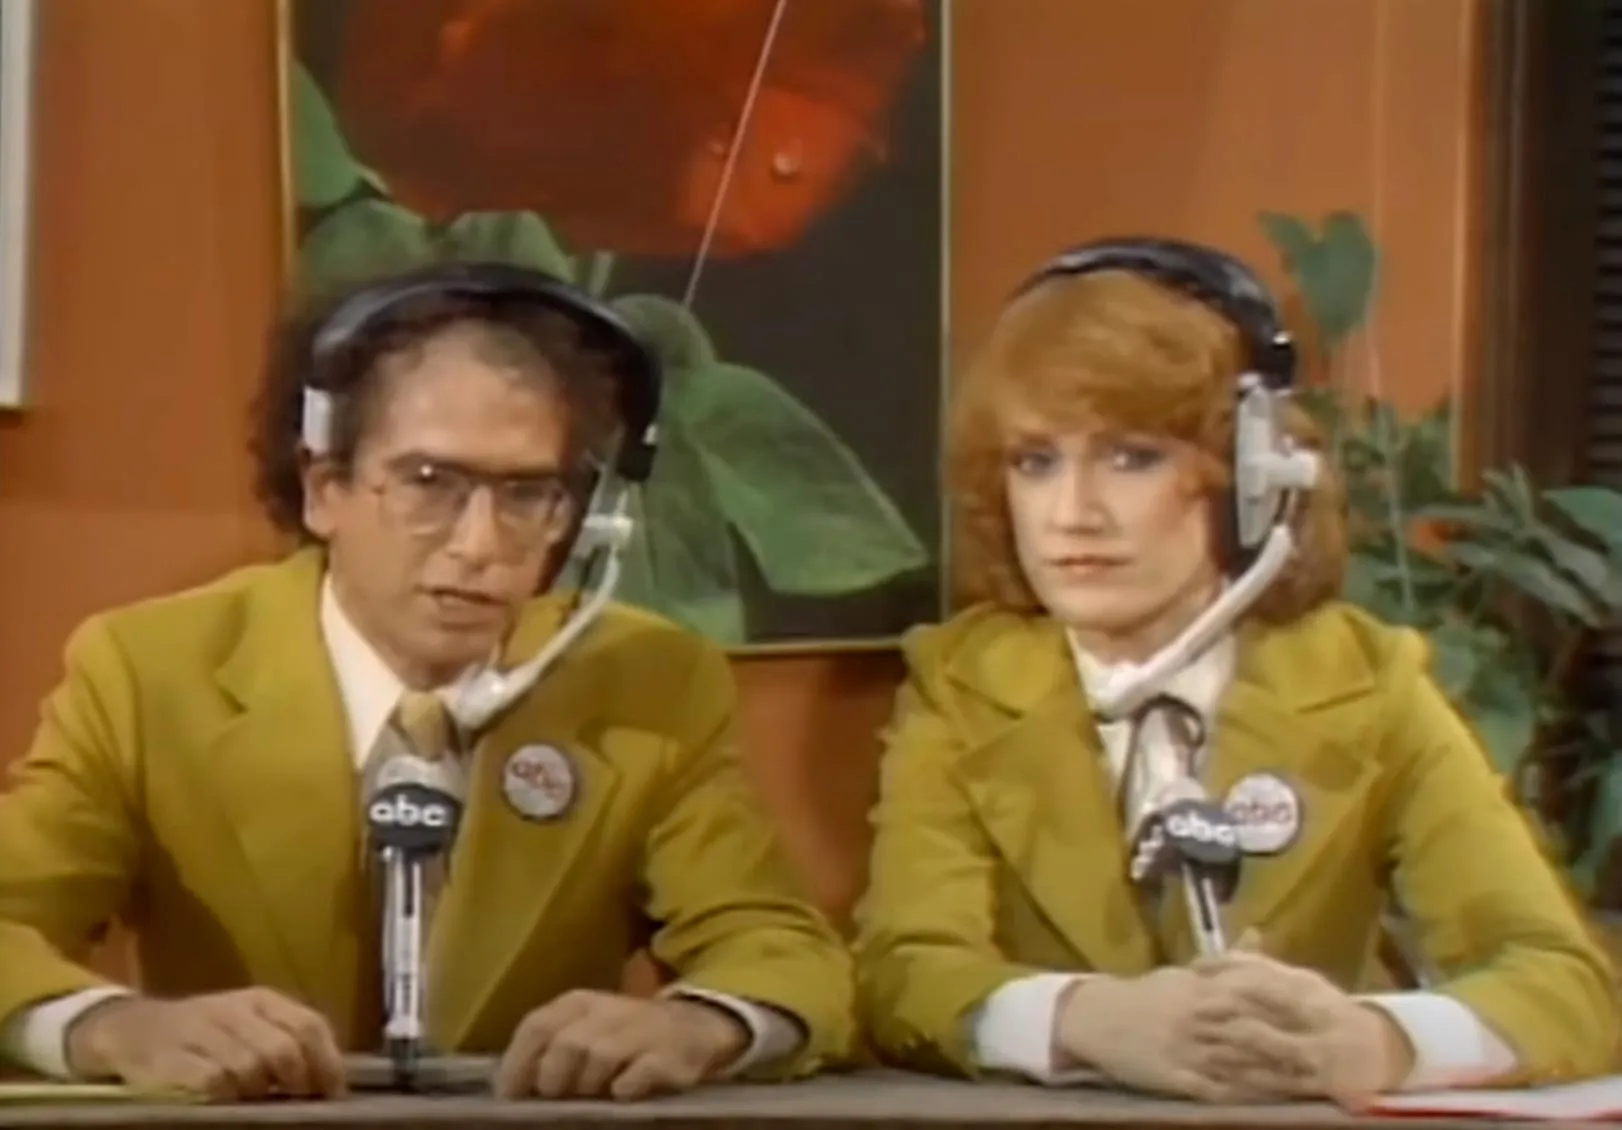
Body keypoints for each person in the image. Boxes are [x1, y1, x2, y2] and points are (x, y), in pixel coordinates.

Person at [0, 260, 854, 1101]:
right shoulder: (149, 672)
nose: (480, 545)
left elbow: (780, 950)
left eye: (527, 494)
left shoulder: (647, 682)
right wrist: (115, 1029)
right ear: (325, 488)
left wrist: (701, 1024)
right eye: (429, 483)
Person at [852, 237, 1620, 1106]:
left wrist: (1376, 1041)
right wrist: (1087, 1021)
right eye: (1036, 462)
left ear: (1254, 479)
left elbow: (1564, 979)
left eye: (1131, 457)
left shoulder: (1367, 682)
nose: (1072, 513)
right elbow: (902, 971)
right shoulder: (961, 685)